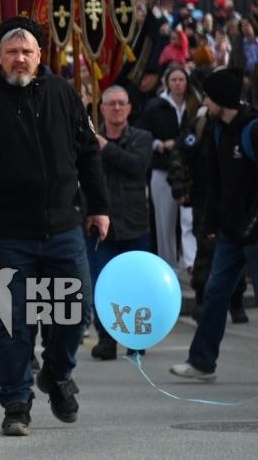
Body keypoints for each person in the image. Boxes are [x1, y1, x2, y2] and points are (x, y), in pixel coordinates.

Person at [0, 16, 109, 436]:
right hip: (5, 237)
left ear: (41, 56)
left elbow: (89, 154)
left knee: (74, 314)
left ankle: (57, 374)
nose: (19, 59)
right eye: (11, 52)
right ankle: (16, 404)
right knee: (11, 325)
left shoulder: (63, 94)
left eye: (27, 52)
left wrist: (99, 207)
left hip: (63, 230)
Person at [170, 69, 258, 382]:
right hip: (230, 234)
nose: (204, 101)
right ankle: (202, 362)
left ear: (222, 97)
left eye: (209, 95)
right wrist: (211, 224)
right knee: (213, 294)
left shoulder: (252, 128)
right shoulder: (217, 129)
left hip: (253, 233)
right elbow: (216, 184)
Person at [89, 86, 154, 360]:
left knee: (135, 286)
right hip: (100, 228)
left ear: (128, 108)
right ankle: (106, 339)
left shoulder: (142, 137)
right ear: (101, 108)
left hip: (134, 224)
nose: (116, 108)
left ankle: (136, 339)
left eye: (121, 104)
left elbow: (137, 166)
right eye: (111, 104)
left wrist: (106, 148)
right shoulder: (89, 141)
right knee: (102, 286)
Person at [138, 63, 196, 269]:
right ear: (167, 83)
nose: (178, 84)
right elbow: (144, 133)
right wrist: (158, 145)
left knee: (189, 219)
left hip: (188, 171)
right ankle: (168, 265)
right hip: (162, 168)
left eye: (181, 80)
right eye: (174, 80)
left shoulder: (193, 106)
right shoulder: (156, 106)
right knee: (164, 222)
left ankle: (191, 262)